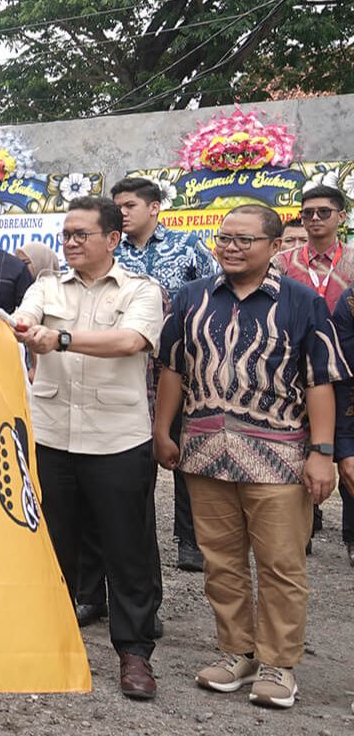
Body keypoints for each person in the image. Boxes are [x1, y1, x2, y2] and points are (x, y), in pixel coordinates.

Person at [156, 204, 346, 709]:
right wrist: (162, 430)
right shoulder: (192, 297)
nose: (232, 247)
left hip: (279, 454)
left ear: (274, 245)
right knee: (220, 561)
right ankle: (235, 651)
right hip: (206, 450)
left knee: (281, 563)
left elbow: (320, 381)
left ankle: (279, 664)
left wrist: (322, 453)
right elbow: (173, 368)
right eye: (225, 239)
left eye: (245, 239)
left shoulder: (303, 303)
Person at [12, 197, 167, 699]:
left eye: (82, 234)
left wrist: (56, 340)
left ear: (112, 239)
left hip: (117, 439)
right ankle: (52, 642)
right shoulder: (45, 285)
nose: (72, 242)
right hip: (53, 436)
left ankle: (134, 653)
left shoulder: (142, 290)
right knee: (55, 543)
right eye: (67, 234)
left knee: (128, 549)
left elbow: (129, 342)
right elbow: (21, 319)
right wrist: (21, 329)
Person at [113, 176, 219, 573]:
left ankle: (190, 539)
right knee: (133, 455)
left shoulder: (188, 247)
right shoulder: (111, 252)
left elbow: (213, 294)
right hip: (128, 368)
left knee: (182, 449)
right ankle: (134, 543)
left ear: (154, 207)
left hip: (181, 368)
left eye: (129, 206)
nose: (122, 213)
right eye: (118, 207)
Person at [272, 187, 354, 563]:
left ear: (341, 217)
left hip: (350, 370)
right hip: (300, 370)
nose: (315, 219)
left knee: (349, 452)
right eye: (307, 214)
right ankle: (302, 532)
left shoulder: (353, 261)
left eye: (324, 212)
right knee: (304, 448)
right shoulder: (283, 263)